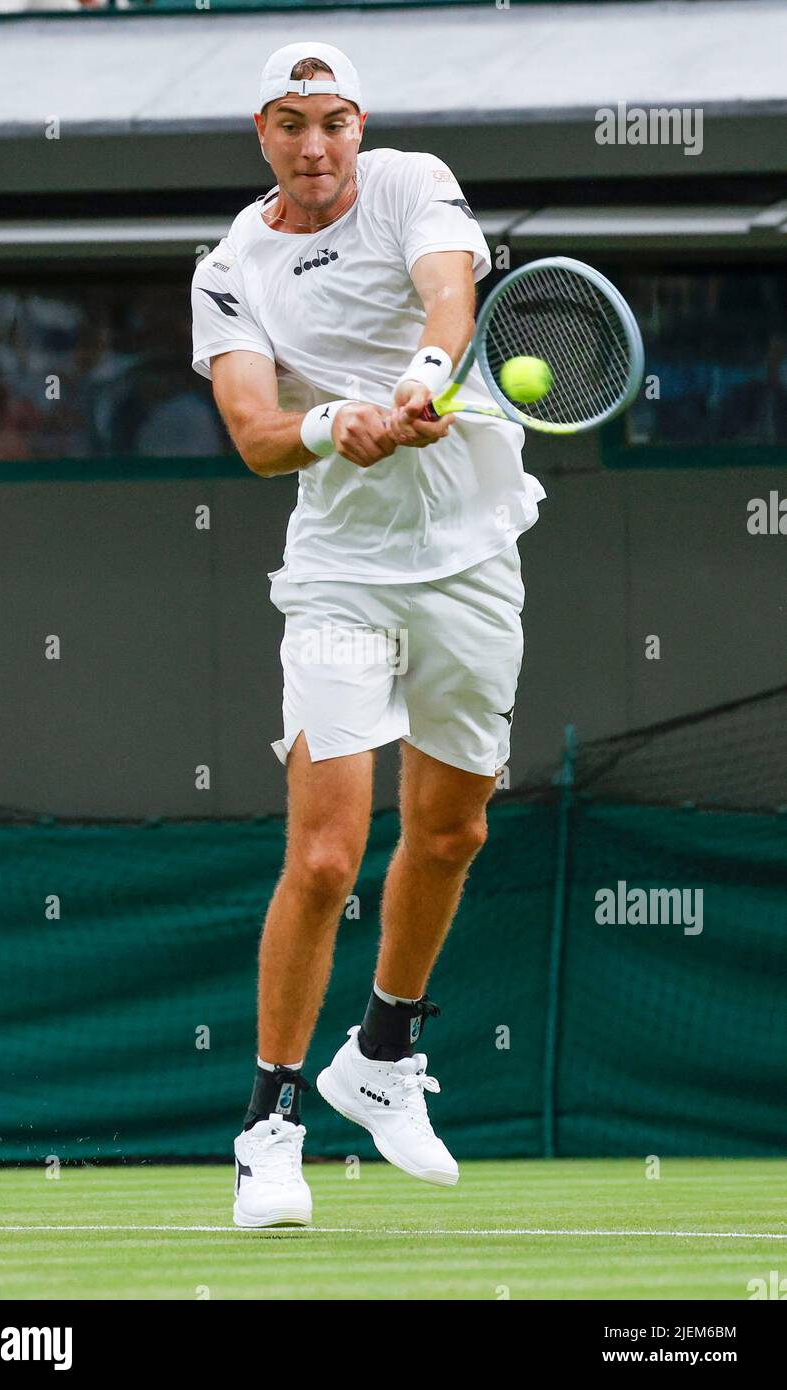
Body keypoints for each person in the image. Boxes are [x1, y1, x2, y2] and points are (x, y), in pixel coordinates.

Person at [190, 40, 544, 1228]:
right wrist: (337, 419)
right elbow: (250, 430)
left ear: (358, 124)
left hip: (471, 553)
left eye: (333, 121)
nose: (315, 146)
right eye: (292, 123)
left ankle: (380, 1056)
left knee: (449, 832)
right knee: (329, 854)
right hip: (340, 573)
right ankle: (268, 1128)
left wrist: (429, 377)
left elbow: (449, 293)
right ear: (261, 131)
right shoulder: (230, 267)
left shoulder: (408, 182)